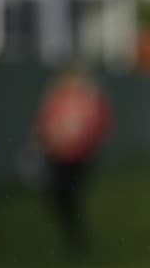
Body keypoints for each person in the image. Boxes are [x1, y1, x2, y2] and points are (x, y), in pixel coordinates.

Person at [34, 63, 115, 255]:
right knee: (57, 195)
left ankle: (76, 238)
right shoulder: (57, 97)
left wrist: (87, 142)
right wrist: (42, 144)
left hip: (80, 156)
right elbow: (44, 124)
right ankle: (73, 234)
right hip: (57, 155)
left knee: (72, 194)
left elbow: (101, 126)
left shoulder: (90, 97)